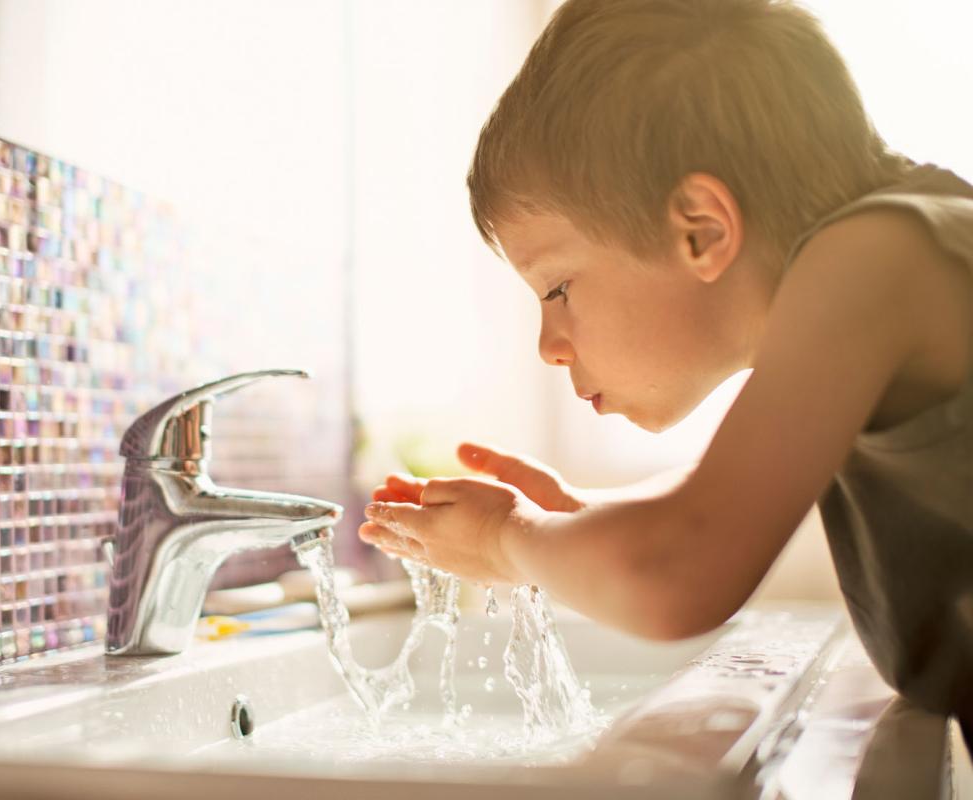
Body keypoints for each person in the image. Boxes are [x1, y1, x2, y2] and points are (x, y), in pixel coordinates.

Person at [357, 0, 972, 745]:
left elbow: (681, 570)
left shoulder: (874, 260)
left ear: (701, 231)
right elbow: (712, 501)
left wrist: (508, 541)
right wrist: (574, 518)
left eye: (557, 289)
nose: (548, 345)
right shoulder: (885, 252)